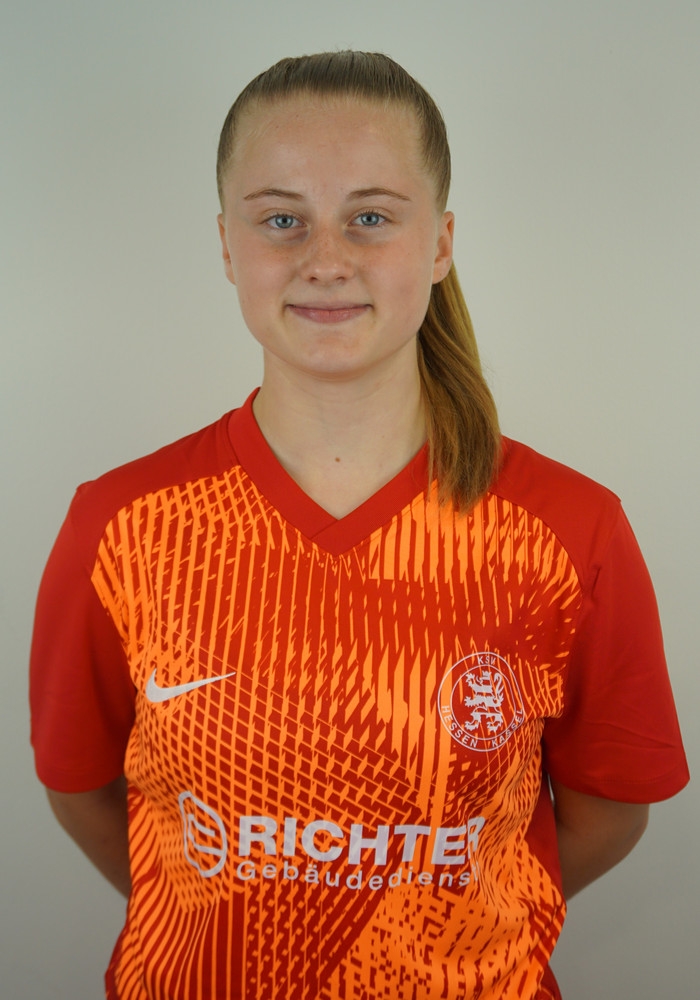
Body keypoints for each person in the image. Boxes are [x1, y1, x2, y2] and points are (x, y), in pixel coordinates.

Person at [30, 51, 689, 1000]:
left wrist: (450, 920)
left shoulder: (569, 531)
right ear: (227, 246)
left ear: (441, 243)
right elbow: (81, 788)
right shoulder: (121, 525)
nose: (326, 258)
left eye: (371, 217)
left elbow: (609, 810)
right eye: (281, 219)